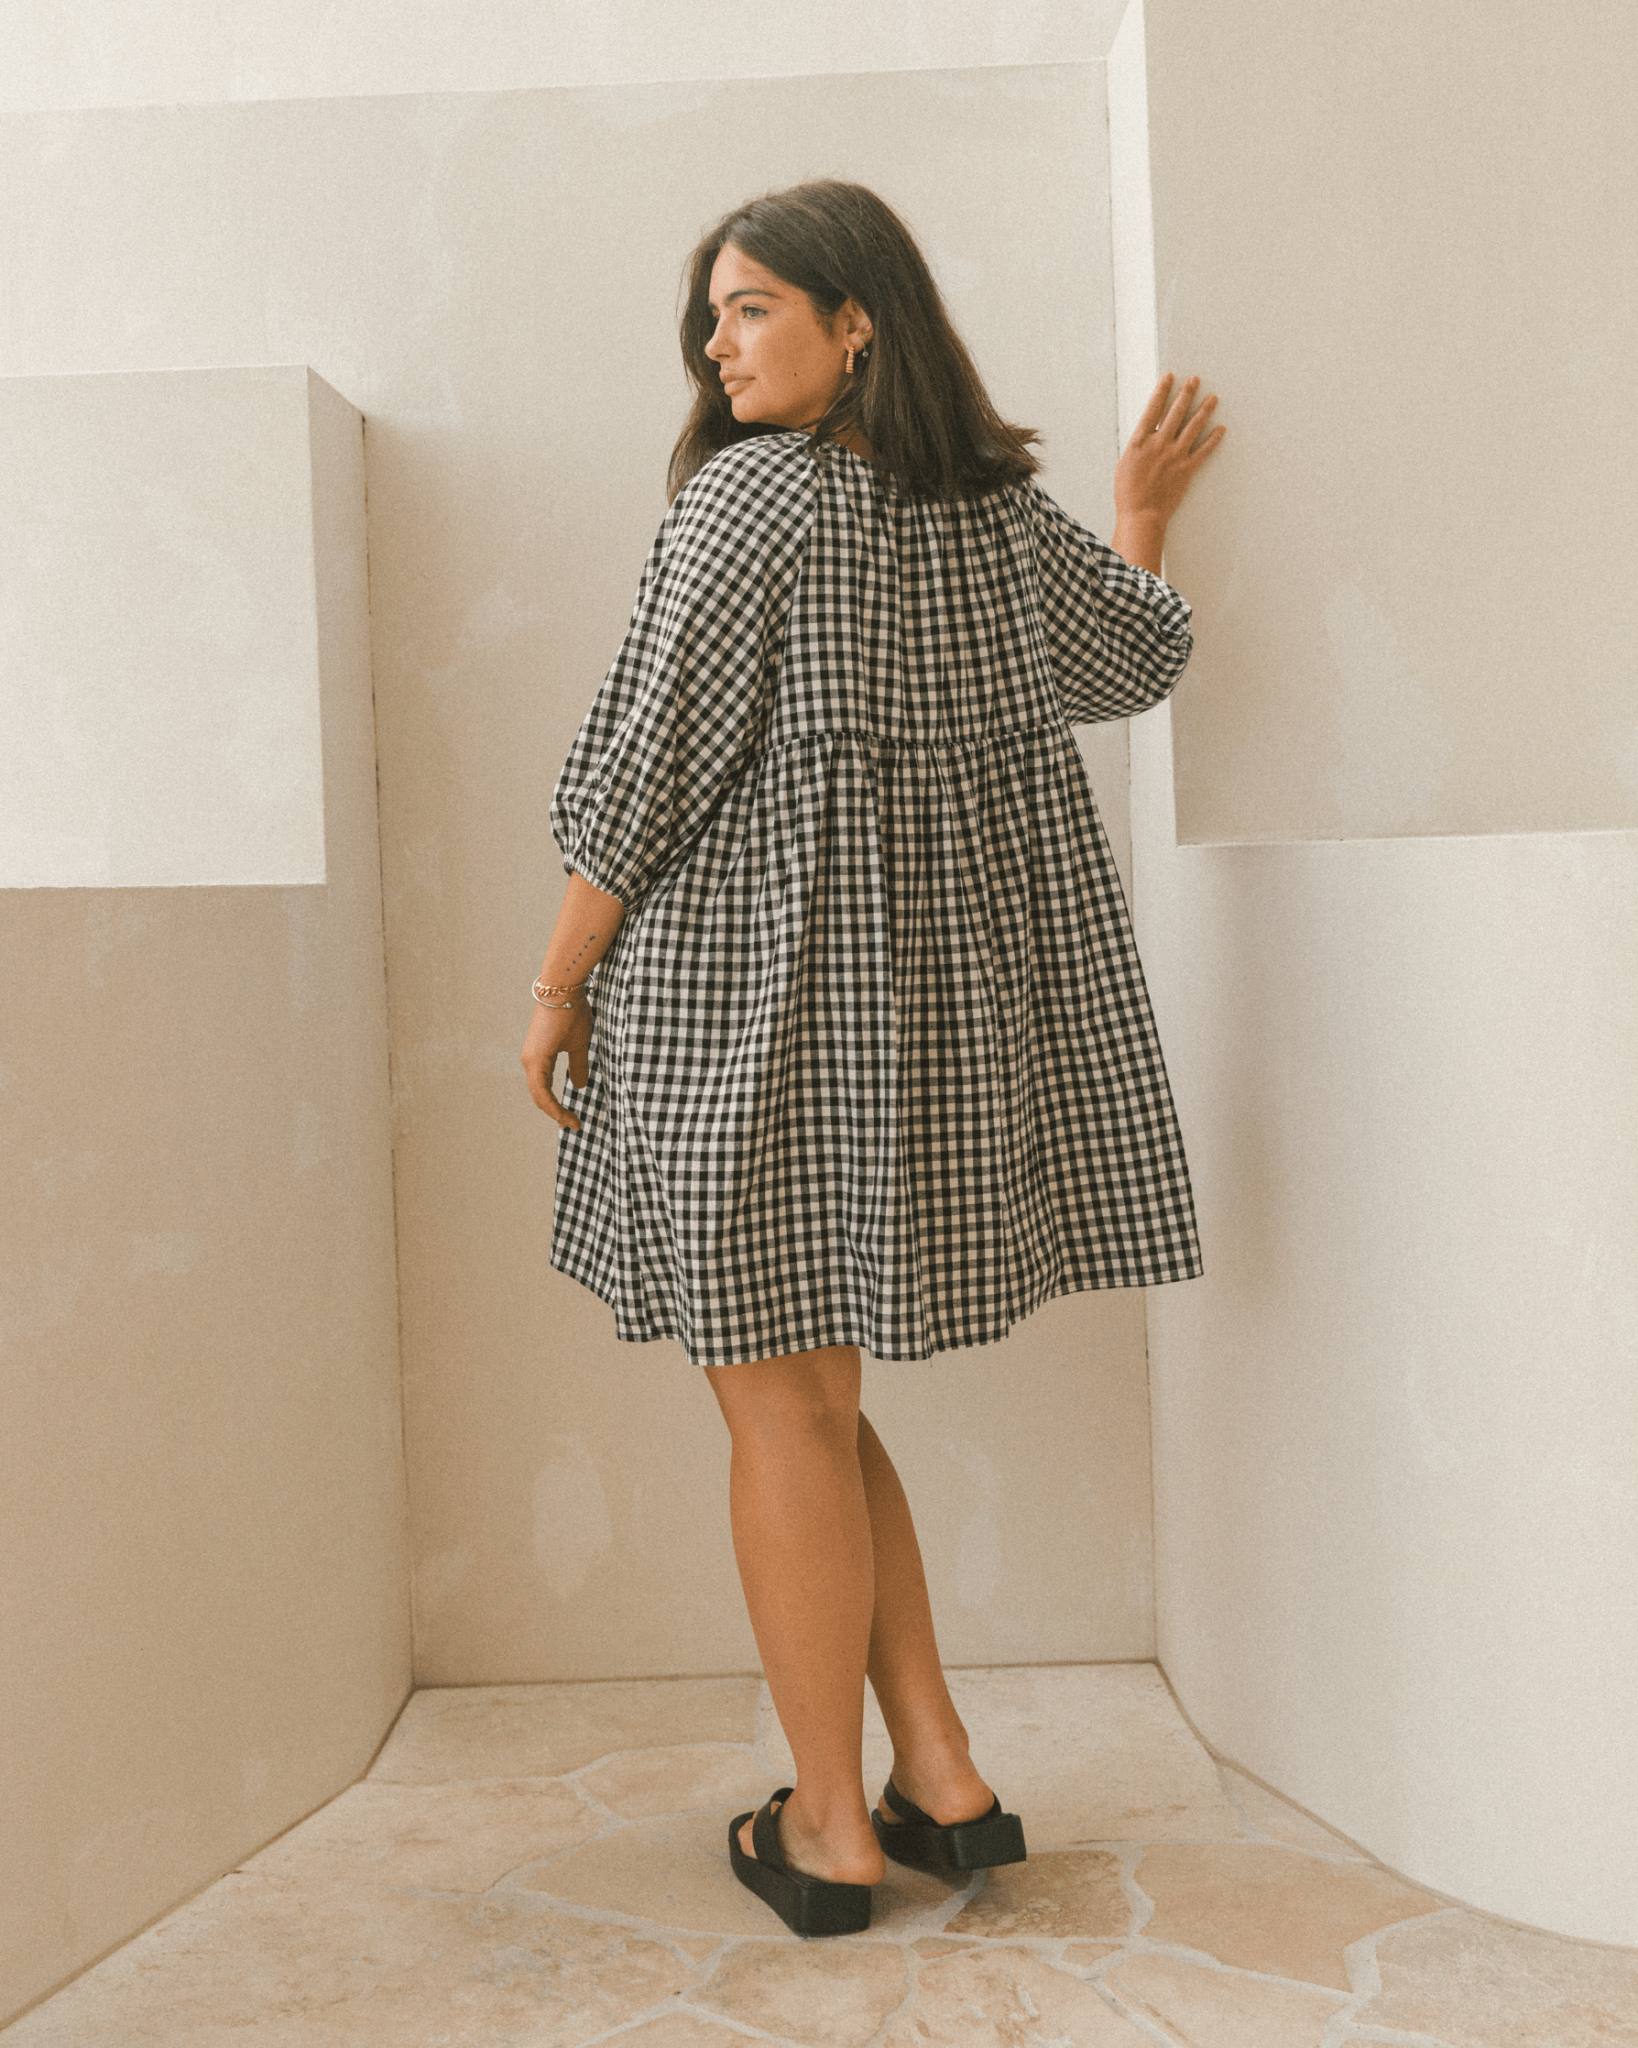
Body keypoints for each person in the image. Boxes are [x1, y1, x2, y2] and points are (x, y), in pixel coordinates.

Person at [520, 179, 1224, 1937]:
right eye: (712, 312)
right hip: (912, 1031)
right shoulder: (990, 508)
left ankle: (827, 1829)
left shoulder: (748, 498)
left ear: (858, 322)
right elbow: (1130, 655)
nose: (715, 341)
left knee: (778, 1404)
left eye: (751, 304)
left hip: (745, 1011)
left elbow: (644, 764)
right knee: (817, 1407)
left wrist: (554, 985)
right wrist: (1140, 513)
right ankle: (942, 1777)